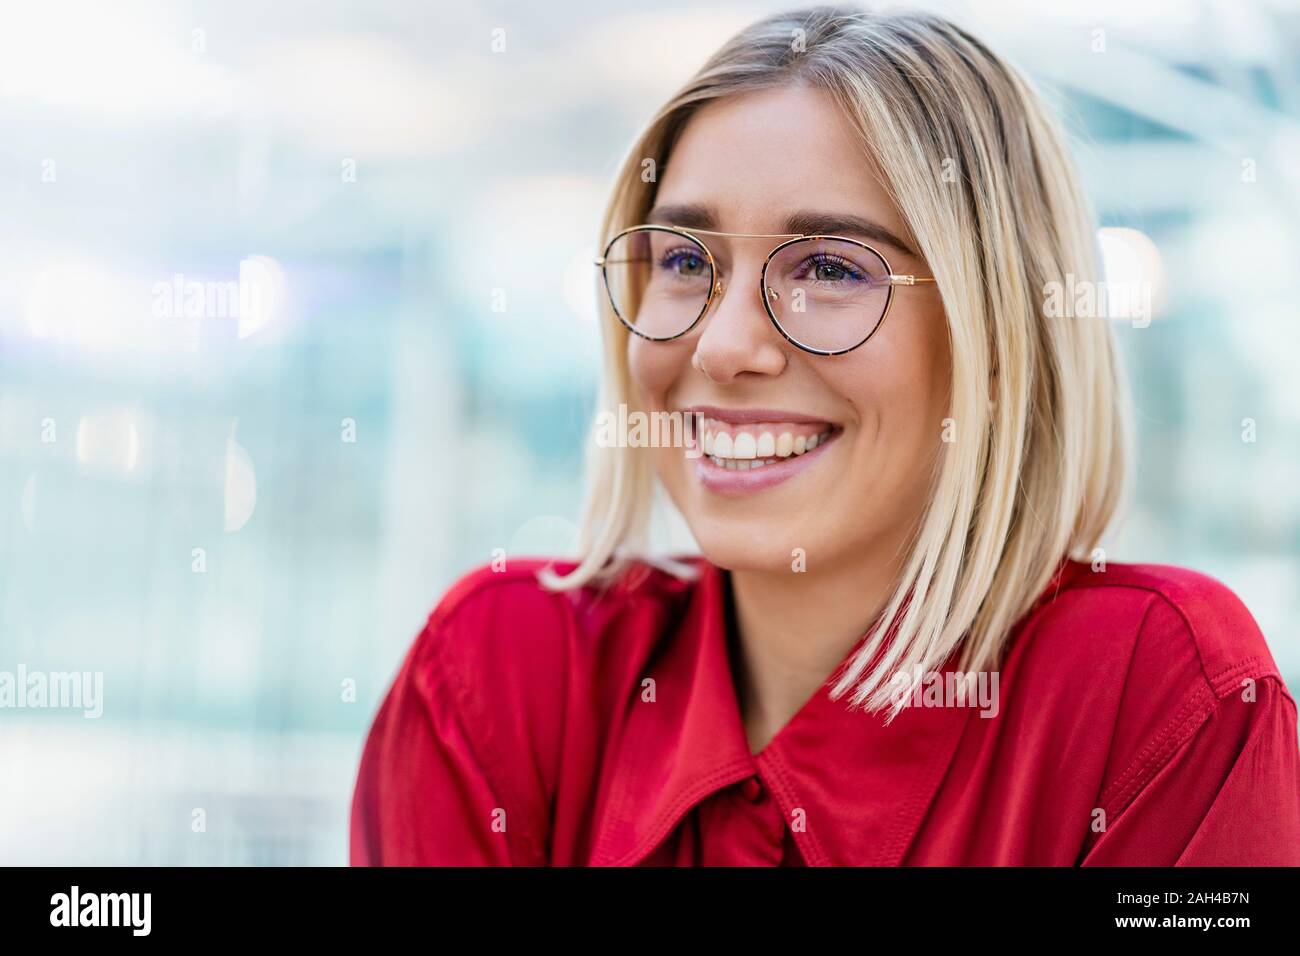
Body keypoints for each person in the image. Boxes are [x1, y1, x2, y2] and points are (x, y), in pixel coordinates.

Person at [351, 5, 1300, 866]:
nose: (721, 346)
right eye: (685, 258)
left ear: (999, 343)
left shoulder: (1161, 701)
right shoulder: (499, 673)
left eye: (832, 269)